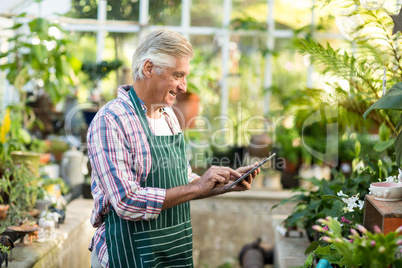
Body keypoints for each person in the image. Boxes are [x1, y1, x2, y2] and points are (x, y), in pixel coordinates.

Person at [87, 27, 261, 268]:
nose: (183, 86)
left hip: (170, 252)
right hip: (127, 254)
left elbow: (181, 180)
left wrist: (223, 184)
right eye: (178, 75)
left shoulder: (167, 116)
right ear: (149, 68)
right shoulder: (111, 120)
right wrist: (198, 186)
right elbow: (126, 201)